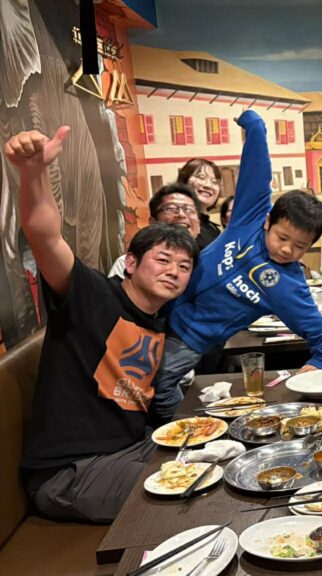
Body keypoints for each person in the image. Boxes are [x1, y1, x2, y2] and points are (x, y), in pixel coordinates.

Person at [6, 126, 199, 522]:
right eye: (163, 260)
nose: (174, 272)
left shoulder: (157, 319)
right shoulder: (91, 295)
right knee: (195, 493)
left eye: (184, 267)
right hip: (70, 472)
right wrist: (33, 172)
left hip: (129, 450)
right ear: (131, 263)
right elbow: (45, 236)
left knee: (223, 454)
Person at [152, 110, 322, 403]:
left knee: (156, 388)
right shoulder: (249, 218)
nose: (287, 250)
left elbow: (318, 337)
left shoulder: (289, 285)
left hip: (187, 340)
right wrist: (254, 125)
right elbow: (257, 169)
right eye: (282, 237)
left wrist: (320, 361)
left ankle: (163, 431)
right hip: (155, 311)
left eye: (300, 246)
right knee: (129, 379)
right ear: (268, 221)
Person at [108, 183, 201, 279]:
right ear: (153, 222)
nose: (181, 214)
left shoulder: (208, 263)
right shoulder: (132, 263)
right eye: (171, 208)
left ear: (199, 226)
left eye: (189, 209)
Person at [177, 158, 223, 249]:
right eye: (201, 177)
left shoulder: (213, 228)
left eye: (214, 182)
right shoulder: (179, 222)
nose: (208, 185)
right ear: (184, 181)